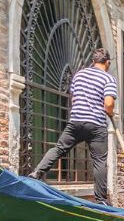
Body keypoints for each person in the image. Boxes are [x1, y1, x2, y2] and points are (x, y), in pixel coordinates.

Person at [27, 48, 117, 203]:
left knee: (59, 148)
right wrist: (110, 112)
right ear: (107, 62)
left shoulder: (79, 75)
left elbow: (74, 99)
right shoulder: (108, 78)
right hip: (96, 125)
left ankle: (36, 173)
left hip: (75, 121)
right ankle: (101, 199)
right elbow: (108, 104)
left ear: (93, 61)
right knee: (100, 161)